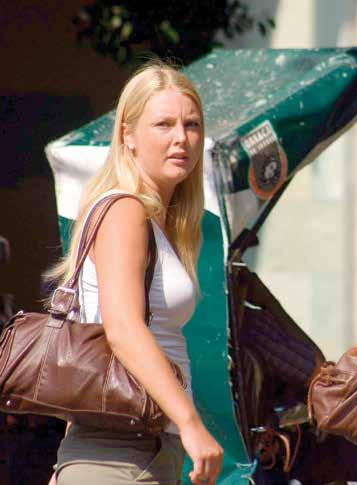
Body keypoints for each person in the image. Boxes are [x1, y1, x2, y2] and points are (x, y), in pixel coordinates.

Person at [45, 60, 223, 485]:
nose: (181, 138)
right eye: (164, 124)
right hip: (120, 454)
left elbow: (91, 344)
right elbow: (122, 329)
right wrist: (191, 424)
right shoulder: (125, 211)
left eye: (192, 125)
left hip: (134, 450)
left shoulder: (157, 220)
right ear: (127, 135)